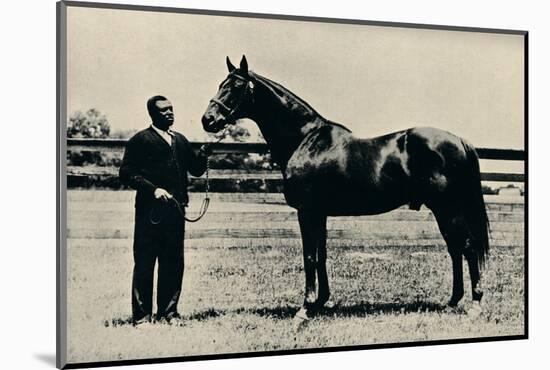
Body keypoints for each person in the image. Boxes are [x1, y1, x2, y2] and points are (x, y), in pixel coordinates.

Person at [119, 95, 211, 325]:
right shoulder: (139, 140)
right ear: (152, 114)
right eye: (163, 110)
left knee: (173, 261)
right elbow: (127, 173)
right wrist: (153, 189)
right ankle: (141, 317)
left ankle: (169, 313)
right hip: (149, 212)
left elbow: (196, 170)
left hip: (176, 211)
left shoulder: (180, 140)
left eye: (171, 109)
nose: (170, 113)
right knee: (145, 262)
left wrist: (204, 154)